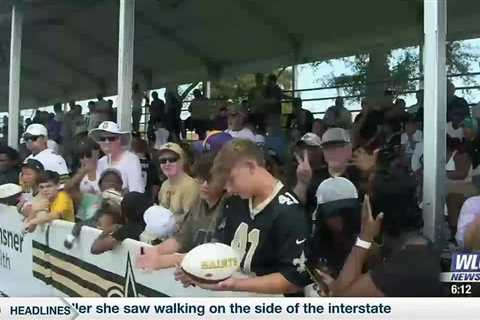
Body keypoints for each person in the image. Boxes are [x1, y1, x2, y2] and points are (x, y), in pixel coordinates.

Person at [176, 139, 311, 294]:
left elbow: (293, 280)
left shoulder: (290, 213)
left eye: (231, 180)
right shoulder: (234, 203)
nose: (228, 189)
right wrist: (197, 272)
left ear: (250, 167)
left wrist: (237, 284)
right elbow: (221, 250)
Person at [325, 169, 438, 297]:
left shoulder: (405, 267)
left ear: (377, 214)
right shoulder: (419, 249)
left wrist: (364, 236)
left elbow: (340, 298)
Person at [136, 153, 228, 270]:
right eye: (201, 179)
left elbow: (216, 255)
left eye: (210, 180)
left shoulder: (228, 206)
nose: (205, 184)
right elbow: (180, 239)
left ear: (224, 182)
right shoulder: (199, 202)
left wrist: (165, 261)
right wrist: (154, 251)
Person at [309, 177, 361, 277]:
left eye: (345, 212)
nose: (339, 219)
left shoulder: (366, 245)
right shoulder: (312, 244)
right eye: (333, 213)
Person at [89, 121, 145, 193]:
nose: (106, 142)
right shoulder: (100, 162)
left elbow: (136, 192)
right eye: (102, 139)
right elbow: (96, 190)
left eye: (111, 138)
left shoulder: (131, 160)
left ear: (119, 140)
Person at [157, 143, 199, 227]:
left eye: (172, 160)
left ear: (181, 161)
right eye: (163, 161)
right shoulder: (164, 185)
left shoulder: (191, 186)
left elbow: (190, 219)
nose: (167, 164)